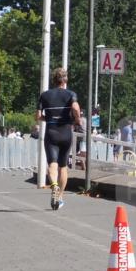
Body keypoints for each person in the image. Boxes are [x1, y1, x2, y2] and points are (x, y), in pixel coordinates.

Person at [36, 67, 81, 210]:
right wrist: (77, 120)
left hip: (51, 132)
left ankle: (54, 185)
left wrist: (47, 118)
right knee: (63, 167)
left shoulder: (45, 95)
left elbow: (37, 116)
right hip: (66, 132)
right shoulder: (70, 94)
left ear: (53, 80)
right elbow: (75, 108)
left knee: (52, 165)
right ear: (65, 80)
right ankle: (60, 196)